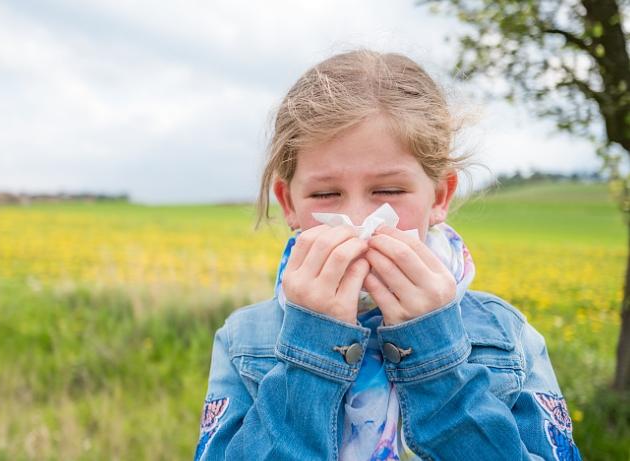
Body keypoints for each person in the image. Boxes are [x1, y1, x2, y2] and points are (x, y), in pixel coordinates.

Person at [194, 50, 581, 461]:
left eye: (389, 191)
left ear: (441, 195)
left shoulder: (506, 336)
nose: (359, 221)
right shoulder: (246, 340)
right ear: (288, 203)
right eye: (326, 195)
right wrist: (311, 349)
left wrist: (433, 355)